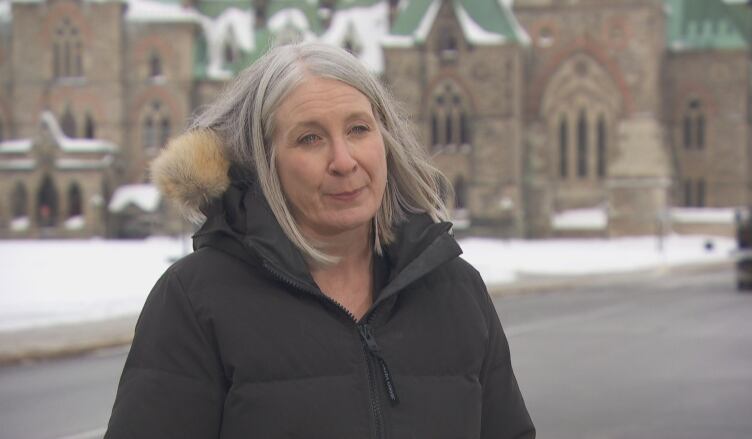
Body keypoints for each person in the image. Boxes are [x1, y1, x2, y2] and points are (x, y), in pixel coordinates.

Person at [104, 41, 535, 439]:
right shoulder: (195, 300)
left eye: (358, 129)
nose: (344, 161)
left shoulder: (455, 289)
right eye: (310, 138)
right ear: (265, 160)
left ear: (386, 139)